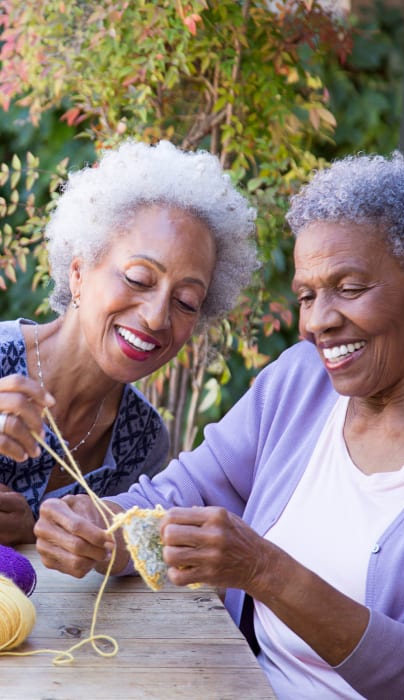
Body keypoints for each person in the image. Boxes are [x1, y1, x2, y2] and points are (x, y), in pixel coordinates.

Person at [35, 152, 404, 700]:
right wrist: (98, 527)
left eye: (349, 288)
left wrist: (264, 571)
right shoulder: (299, 384)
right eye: (307, 295)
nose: (318, 322)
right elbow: (167, 501)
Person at [0, 139, 257, 546]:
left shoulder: (142, 441)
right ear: (79, 273)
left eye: (186, 301)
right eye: (138, 279)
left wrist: (35, 534)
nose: (157, 317)